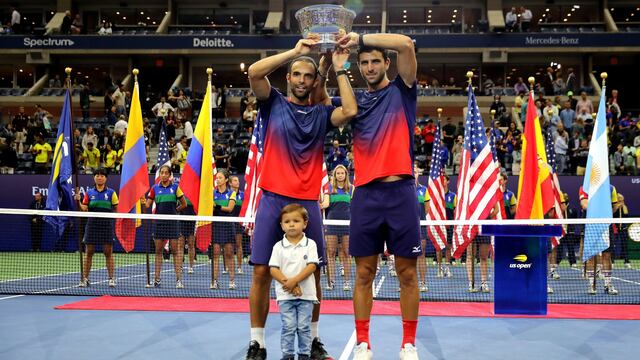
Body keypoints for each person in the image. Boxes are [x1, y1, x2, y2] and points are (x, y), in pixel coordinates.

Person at [244, 37, 356, 360]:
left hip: (307, 203)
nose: (302, 81)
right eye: (297, 75)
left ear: (314, 81)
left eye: (308, 76)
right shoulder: (273, 103)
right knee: (261, 272)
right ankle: (257, 343)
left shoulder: (322, 115)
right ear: (289, 78)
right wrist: (296, 53)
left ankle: (314, 341)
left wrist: (339, 67)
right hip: (272, 200)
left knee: (314, 272)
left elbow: (350, 110)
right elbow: (253, 72)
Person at [332, 31, 421, 359]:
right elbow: (329, 107)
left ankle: (408, 344)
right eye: (364, 63)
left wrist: (360, 38)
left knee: (407, 273)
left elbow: (406, 45)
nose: (369, 67)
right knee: (364, 273)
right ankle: (364, 343)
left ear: (387, 63)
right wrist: (339, 65)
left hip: (400, 193)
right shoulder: (352, 102)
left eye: (375, 61)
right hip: (366, 196)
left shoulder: (404, 91)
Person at [269, 204, 319, 360]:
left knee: (304, 327)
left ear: (305, 223)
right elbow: (273, 269)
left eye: (296, 221)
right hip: (285, 297)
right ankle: (288, 355)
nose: (291, 224)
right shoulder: (278, 247)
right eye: (287, 221)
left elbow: (312, 266)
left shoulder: (310, 244)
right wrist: (289, 285)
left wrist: (294, 282)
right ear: (282, 225)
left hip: (306, 296)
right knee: (288, 327)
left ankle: (304, 354)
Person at [143, 165, 187, 288]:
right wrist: (142, 200)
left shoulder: (175, 188)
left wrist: (174, 211)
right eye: (161, 173)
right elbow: (147, 205)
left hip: (172, 223)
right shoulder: (154, 188)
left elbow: (183, 204)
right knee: (158, 251)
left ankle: (178, 280)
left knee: (175, 251)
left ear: (170, 175)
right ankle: (157, 279)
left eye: (165, 173)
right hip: (159, 223)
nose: (163, 175)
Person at [74, 169, 119, 287]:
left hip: (106, 225)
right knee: (89, 252)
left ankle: (111, 278)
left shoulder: (111, 193)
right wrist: (78, 202)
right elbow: (84, 208)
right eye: (97, 175)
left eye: (102, 175)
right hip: (92, 225)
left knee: (108, 252)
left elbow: (117, 209)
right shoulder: (89, 193)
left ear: (106, 178)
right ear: (94, 178)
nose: (99, 177)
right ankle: (85, 279)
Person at [579, 185, 619, 295]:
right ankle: (591, 284)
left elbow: (615, 206)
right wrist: (602, 207)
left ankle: (608, 284)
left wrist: (605, 212)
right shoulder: (585, 187)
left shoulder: (611, 188)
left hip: (606, 224)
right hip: (590, 224)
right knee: (591, 256)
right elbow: (584, 205)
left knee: (607, 255)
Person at [321, 164, 354, 292]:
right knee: (331, 253)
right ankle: (331, 282)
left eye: (342, 173)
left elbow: (355, 207)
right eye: (338, 173)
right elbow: (325, 204)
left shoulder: (351, 189)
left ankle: (347, 282)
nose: (340, 175)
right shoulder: (328, 188)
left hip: (347, 224)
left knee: (346, 253)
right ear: (334, 175)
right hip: (332, 223)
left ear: (346, 174)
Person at [211, 169, 238, 290]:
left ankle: (232, 281)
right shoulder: (212, 193)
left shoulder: (231, 193)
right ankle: (214, 281)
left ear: (226, 180)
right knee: (215, 254)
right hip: (216, 225)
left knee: (229, 253)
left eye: (220, 178)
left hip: (227, 224)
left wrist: (217, 206)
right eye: (217, 177)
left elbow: (230, 208)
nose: (218, 179)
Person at [415, 165, 429, 292]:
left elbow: (427, 209)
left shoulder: (424, 190)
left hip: (421, 226)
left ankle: (423, 282)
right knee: (405, 255)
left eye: (415, 172)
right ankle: (406, 283)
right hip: (406, 227)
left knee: (421, 254)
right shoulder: (402, 190)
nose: (413, 174)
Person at [230, 175, 246, 274]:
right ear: (230, 183)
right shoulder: (227, 194)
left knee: (238, 244)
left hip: (238, 222)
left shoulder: (243, 195)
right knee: (228, 246)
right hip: (228, 222)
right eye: (235, 181)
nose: (237, 182)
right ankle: (227, 267)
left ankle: (239, 267)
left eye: (237, 180)